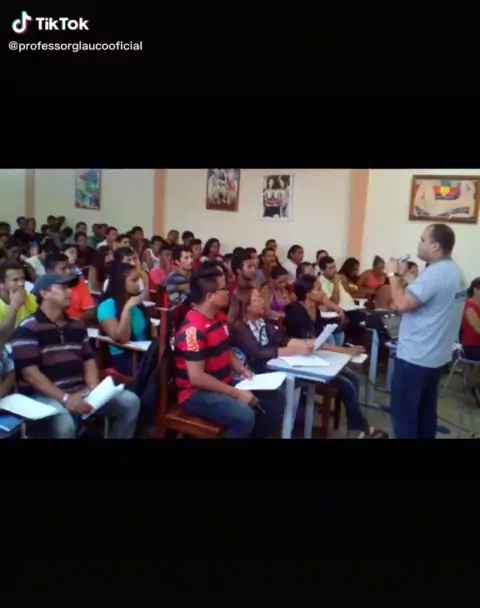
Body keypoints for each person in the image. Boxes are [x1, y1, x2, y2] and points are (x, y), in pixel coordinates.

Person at [10, 273, 140, 439]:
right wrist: (65, 398)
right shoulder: (27, 328)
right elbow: (31, 375)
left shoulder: (76, 325)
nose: (69, 292)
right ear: (44, 293)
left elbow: (88, 359)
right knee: (65, 425)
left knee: (130, 402)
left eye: (69, 287)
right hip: (43, 396)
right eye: (62, 287)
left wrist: (94, 390)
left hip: (79, 391)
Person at [174, 268, 284, 438]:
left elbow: (226, 349)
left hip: (223, 381)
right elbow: (197, 377)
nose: (229, 292)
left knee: (275, 398)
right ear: (210, 297)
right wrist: (237, 393)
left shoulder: (218, 317)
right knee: (244, 416)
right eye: (223, 289)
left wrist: (242, 370)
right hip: (196, 394)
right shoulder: (193, 330)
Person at [385, 224, 467, 439]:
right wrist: (406, 275)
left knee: (405, 417)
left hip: (415, 358)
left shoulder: (435, 274)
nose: (418, 244)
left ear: (435, 246)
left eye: (422, 240)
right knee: (425, 414)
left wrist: (392, 274)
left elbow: (402, 304)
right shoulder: (453, 271)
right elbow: (429, 293)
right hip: (436, 358)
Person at [284, 274, 387, 438]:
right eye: (318, 289)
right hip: (299, 362)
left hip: (314, 356)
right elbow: (313, 342)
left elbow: (320, 338)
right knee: (346, 384)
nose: (323, 292)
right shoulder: (296, 311)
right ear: (308, 293)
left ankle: (355, 428)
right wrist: (345, 351)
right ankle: (361, 429)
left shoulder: (315, 309)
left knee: (353, 378)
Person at [228, 286, 313, 374]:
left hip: (268, 364)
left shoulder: (261, 319)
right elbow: (258, 352)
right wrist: (293, 350)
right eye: (257, 299)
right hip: (250, 371)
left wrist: (305, 343)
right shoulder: (238, 326)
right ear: (246, 306)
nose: (262, 301)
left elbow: (279, 339)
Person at [97, 263, 152, 375]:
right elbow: (122, 338)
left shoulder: (138, 304)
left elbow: (149, 331)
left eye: (138, 280)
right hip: (124, 356)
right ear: (121, 281)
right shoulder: (106, 306)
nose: (138, 284)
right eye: (134, 280)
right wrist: (127, 308)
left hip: (144, 352)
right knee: (154, 370)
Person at [45, 252, 96, 325]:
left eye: (69, 267)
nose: (68, 271)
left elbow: (90, 310)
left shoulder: (78, 282)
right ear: (50, 271)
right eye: (63, 269)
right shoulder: (43, 288)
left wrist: (75, 324)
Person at [0, 261, 37, 341]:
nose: (21, 283)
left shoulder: (30, 297)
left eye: (23, 278)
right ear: (1, 284)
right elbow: (3, 337)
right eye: (15, 280)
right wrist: (14, 306)